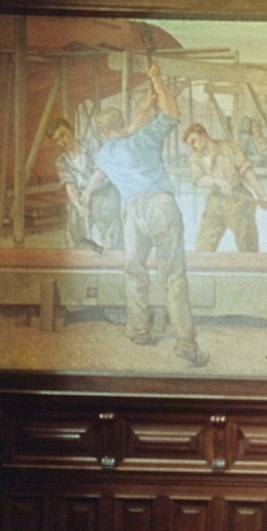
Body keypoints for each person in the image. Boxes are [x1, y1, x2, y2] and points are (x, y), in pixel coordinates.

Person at [89, 60, 209, 368]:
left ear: (102, 131)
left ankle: (139, 330)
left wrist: (145, 106)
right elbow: (173, 114)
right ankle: (185, 343)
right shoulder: (143, 139)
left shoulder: (103, 154)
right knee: (174, 276)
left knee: (134, 269)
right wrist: (158, 81)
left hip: (132, 212)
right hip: (160, 205)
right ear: (121, 123)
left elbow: (123, 134)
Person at [184, 123, 267, 252]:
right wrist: (214, 182)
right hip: (215, 202)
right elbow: (198, 179)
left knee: (248, 248)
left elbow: (247, 172)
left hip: (239, 201)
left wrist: (262, 196)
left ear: (204, 136)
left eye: (194, 141)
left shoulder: (229, 147)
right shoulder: (195, 157)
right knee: (203, 246)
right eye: (190, 144)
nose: (193, 146)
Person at [46, 115, 123, 249]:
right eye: (57, 140)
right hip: (82, 198)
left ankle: (112, 252)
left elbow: (101, 171)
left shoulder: (92, 145)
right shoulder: (62, 162)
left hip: (104, 193)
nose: (62, 141)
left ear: (71, 130)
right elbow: (70, 186)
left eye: (63, 135)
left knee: (110, 230)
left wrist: (88, 192)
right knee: (75, 227)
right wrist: (79, 206)